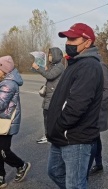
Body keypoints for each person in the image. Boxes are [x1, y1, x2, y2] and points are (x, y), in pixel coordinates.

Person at [46, 23, 104, 189]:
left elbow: (77, 104)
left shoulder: (89, 66)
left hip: (75, 137)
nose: (68, 43)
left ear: (87, 42)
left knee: (75, 184)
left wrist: (59, 126)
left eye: (73, 39)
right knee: (54, 171)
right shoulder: (75, 63)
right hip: (61, 135)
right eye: (67, 39)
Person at [0, 56, 31, 187]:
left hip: (6, 122)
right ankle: (0, 176)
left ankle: (21, 165)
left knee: (3, 150)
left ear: (4, 70)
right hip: (2, 119)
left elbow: (1, 104)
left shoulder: (9, 84)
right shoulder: (5, 81)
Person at [32, 47, 64, 144]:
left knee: (49, 116)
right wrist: (43, 69)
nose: (49, 56)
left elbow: (50, 76)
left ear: (55, 56)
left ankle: (50, 135)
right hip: (50, 93)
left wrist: (38, 69)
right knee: (46, 115)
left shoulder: (59, 66)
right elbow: (48, 74)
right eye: (49, 55)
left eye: (51, 55)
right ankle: (49, 134)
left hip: (53, 94)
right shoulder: (54, 66)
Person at [88, 62, 108, 177]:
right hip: (88, 109)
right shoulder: (85, 63)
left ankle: (87, 168)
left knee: (92, 138)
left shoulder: (100, 65)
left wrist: (92, 102)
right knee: (95, 137)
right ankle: (98, 164)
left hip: (96, 110)